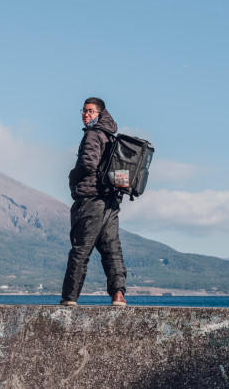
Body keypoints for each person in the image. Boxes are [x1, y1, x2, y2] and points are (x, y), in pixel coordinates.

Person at [61, 97, 127, 306]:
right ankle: (118, 295)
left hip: (91, 199)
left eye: (90, 111)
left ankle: (69, 298)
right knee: (111, 250)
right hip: (110, 201)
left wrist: (74, 175)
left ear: (100, 113)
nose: (86, 115)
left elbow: (88, 163)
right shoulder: (110, 136)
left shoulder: (92, 134)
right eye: (84, 111)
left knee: (81, 249)